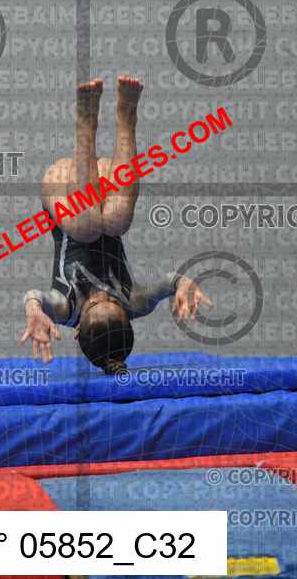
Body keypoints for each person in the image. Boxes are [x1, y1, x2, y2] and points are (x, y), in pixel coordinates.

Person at [21, 76, 212, 373]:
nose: (102, 293)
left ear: (77, 329)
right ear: (127, 313)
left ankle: (86, 124)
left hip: (63, 183)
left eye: (94, 304)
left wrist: (33, 310)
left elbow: (35, 296)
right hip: (107, 179)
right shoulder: (135, 302)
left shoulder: (64, 307)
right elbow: (170, 281)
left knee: (85, 228)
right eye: (113, 301)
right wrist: (184, 283)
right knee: (116, 220)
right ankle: (126, 117)